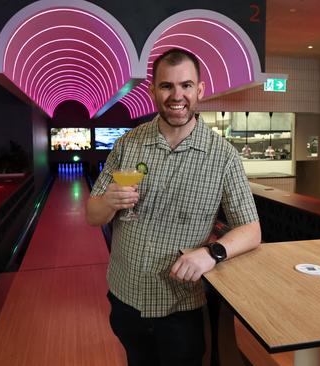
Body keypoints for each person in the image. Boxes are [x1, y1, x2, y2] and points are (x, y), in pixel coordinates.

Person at [86, 48, 261, 366]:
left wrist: (212, 253)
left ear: (200, 90)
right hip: (125, 298)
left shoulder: (223, 157)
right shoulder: (127, 144)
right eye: (167, 86)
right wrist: (108, 202)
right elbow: (92, 214)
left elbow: (251, 230)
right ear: (153, 90)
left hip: (180, 308)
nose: (176, 95)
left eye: (186, 85)